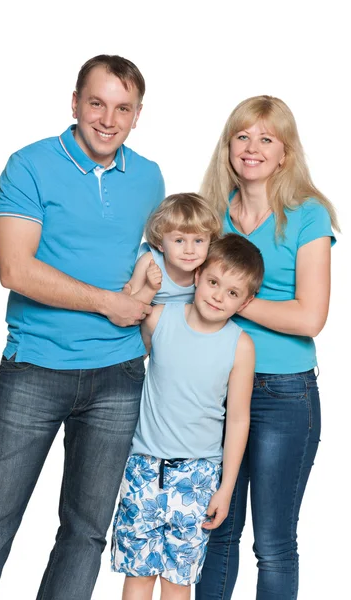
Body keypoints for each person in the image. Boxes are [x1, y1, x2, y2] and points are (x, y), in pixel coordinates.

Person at [0, 54, 165, 600]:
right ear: (76, 103)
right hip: (36, 368)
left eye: (123, 108)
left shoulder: (149, 176)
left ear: (137, 115)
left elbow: (149, 260)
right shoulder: (30, 164)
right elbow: (15, 269)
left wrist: (145, 300)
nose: (108, 119)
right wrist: (109, 303)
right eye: (97, 103)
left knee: (85, 534)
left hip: (119, 375)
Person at [196, 95, 339, 600]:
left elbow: (309, 317)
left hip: (285, 395)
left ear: (285, 153)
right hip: (214, 391)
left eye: (266, 138)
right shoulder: (212, 215)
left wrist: (233, 301)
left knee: (274, 544)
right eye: (242, 136)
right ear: (228, 146)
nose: (251, 148)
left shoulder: (308, 216)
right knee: (217, 533)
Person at [111, 234, 264, 600]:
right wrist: (143, 284)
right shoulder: (160, 319)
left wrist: (225, 488)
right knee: (137, 574)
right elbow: (125, 358)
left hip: (197, 477)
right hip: (143, 468)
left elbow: (238, 419)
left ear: (247, 301)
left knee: (179, 581)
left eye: (232, 293)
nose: (217, 296)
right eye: (213, 282)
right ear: (197, 277)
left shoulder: (240, 345)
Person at [126, 192, 222, 304]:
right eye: (179, 240)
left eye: (198, 241)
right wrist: (150, 288)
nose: (189, 250)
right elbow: (129, 306)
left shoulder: (208, 267)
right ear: (160, 243)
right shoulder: (149, 262)